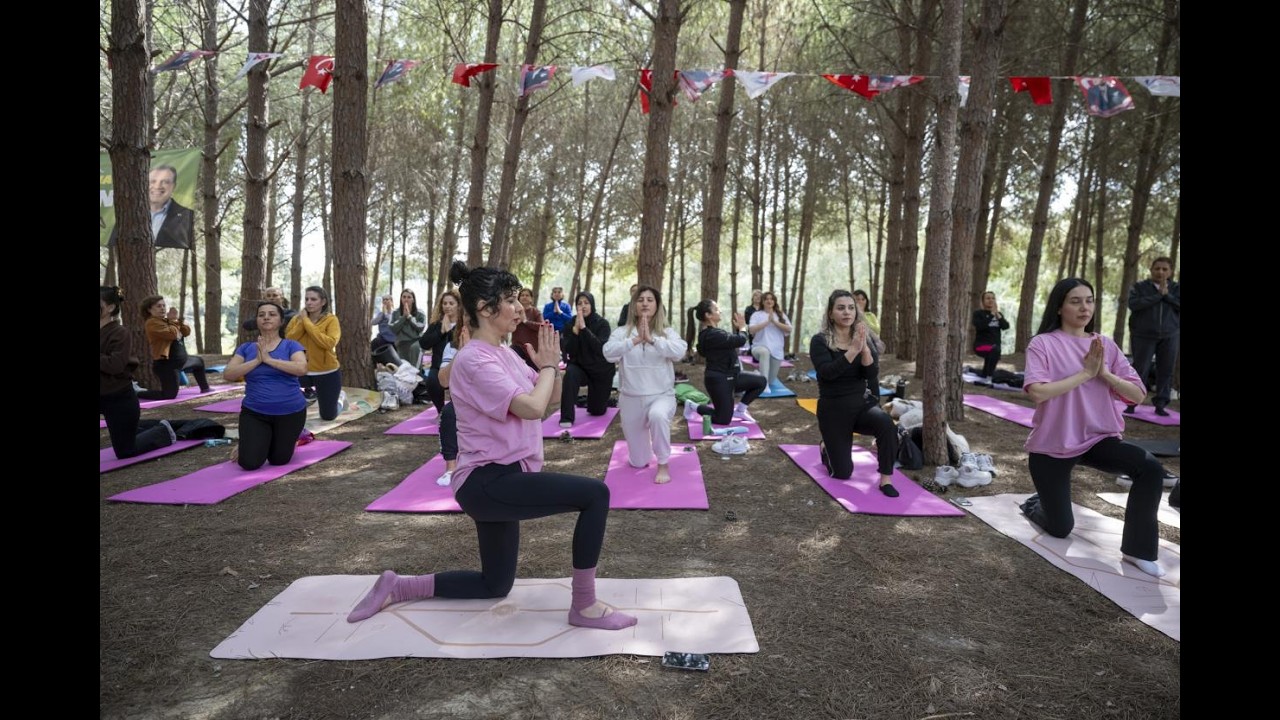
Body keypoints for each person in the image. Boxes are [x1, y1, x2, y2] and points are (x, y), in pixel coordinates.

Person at [347, 261, 636, 632]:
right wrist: (546, 371)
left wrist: (554, 366)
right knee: (595, 495)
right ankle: (584, 605)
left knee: (494, 585)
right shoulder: (473, 360)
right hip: (487, 481)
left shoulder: (507, 354)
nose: (519, 308)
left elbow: (551, 396)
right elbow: (531, 407)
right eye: (511, 300)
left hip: (506, 477)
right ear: (485, 309)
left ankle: (399, 586)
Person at [1020, 278, 1166, 578]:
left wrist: (1105, 374)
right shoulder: (1043, 343)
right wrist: (1086, 373)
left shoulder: (1105, 345)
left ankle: (1137, 550)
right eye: (1075, 301)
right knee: (1060, 528)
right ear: (1059, 307)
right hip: (1053, 444)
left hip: (1098, 438)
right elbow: (1038, 392)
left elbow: (1137, 394)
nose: (1084, 307)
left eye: (1089, 300)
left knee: (1150, 468)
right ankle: (1036, 502)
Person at [810, 290, 899, 497]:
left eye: (851, 308)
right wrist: (852, 351)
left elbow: (871, 373)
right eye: (840, 308)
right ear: (831, 313)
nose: (847, 312)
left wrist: (865, 350)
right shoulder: (819, 340)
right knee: (842, 473)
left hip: (860, 406)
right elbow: (827, 373)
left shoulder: (861, 338)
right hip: (833, 410)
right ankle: (826, 448)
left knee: (886, 424)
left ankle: (885, 479)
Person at [603, 285, 687, 484]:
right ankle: (645, 448)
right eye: (640, 300)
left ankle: (663, 464)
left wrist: (652, 340)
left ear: (657, 306)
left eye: (650, 299)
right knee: (638, 462)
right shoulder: (622, 332)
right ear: (634, 305)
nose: (645, 303)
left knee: (657, 416)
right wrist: (634, 341)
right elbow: (608, 353)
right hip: (631, 399)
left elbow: (679, 352)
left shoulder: (667, 332)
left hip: (662, 396)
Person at [224, 301, 309, 470]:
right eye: (261, 315)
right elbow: (229, 374)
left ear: (281, 321)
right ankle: (250, 442)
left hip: (291, 412)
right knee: (249, 463)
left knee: (279, 460)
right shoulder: (246, 348)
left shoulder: (291, 345)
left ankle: (293, 437)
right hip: (255, 412)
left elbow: (302, 368)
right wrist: (257, 360)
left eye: (272, 314)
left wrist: (269, 360)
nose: (266, 317)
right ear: (256, 321)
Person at [100, 286, 177, 457]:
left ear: (110, 308)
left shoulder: (120, 333)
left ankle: (163, 430)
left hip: (118, 399)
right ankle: (138, 426)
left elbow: (115, 365)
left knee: (126, 450)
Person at [685, 299, 766, 430]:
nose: (720, 311)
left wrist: (739, 330)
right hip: (719, 381)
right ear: (708, 315)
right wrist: (742, 327)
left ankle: (740, 410)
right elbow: (740, 340)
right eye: (716, 309)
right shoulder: (711, 335)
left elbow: (731, 341)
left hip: (732, 376)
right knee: (723, 420)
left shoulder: (715, 333)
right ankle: (693, 406)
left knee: (761, 382)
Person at [1126, 257, 1180, 416]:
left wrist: (1167, 295)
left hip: (1170, 335)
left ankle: (1161, 405)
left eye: (1164, 269)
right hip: (1143, 335)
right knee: (1140, 369)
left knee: (1166, 369)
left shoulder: (1176, 288)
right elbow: (1134, 304)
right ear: (1151, 270)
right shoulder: (1140, 287)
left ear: (1171, 272)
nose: (1160, 272)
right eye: (1157, 268)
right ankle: (1132, 402)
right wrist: (1158, 295)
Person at [285, 285, 344, 421]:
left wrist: (307, 322)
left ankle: (339, 399)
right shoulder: (296, 319)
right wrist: (302, 321)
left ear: (323, 302)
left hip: (326, 371)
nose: (309, 302)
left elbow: (329, 343)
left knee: (328, 416)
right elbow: (289, 340)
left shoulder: (331, 320)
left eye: (313, 299)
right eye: (306, 299)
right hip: (301, 370)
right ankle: (307, 396)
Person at [136, 294, 211, 399]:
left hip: (181, 362)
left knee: (198, 362)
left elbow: (186, 332)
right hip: (167, 365)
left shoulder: (167, 321)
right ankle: (137, 392)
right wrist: (173, 321)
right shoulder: (151, 323)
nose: (162, 308)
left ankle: (205, 388)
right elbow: (172, 334)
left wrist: (177, 321)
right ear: (149, 309)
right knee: (169, 395)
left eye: (163, 306)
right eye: (158, 306)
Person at [559, 291, 615, 428]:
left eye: (586, 303)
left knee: (597, 411)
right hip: (579, 367)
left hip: (600, 370)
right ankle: (566, 417)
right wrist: (575, 332)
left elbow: (600, 349)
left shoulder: (602, 324)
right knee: (570, 373)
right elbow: (568, 351)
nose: (583, 306)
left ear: (592, 305)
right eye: (579, 303)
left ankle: (592, 400)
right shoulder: (571, 324)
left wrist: (584, 329)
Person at [107, 164, 194, 249]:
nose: (157, 186)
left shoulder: (186, 215)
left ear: (174, 186)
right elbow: (114, 244)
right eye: (152, 181)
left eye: (165, 182)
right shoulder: (128, 214)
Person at [419, 289, 461, 412]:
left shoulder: (464, 324)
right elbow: (424, 343)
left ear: (458, 305)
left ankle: (456, 412)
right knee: (431, 381)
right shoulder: (436, 325)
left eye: (451, 303)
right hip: (438, 366)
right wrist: (441, 331)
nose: (447, 306)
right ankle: (441, 411)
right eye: (445, 303)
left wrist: (449, 331)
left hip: (458, 366)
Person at [748, 291, 792, 390]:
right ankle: (764, 385)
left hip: (776, 351)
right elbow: (751, 330)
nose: (769, 301)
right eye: (766, 299)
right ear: (762, 302)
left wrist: (774, 322)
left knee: (771, 380)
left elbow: (789, 329)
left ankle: (757, 374)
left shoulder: (781, 315)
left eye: (771, 299)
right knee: (765, 352)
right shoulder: (757, 315)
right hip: (759, 348)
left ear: (774, 302)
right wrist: (767, 322)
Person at [971, 291, 1010, 381]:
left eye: (993, 298)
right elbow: (980, 326)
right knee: (995, 349)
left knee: (994, 350)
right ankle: (989, 377)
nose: (991, 300)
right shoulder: (978, 314)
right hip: (980, 347)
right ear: (983, 301)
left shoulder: (998, 315)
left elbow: (1006, 327)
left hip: (993, 347)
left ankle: (983, 374)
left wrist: (999, 317)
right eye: (988, 298)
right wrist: (991, 315)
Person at [391, 289, 427, 370]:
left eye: (409, 297)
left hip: (416, 343)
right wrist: (403, 317)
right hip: (401, 344)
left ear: (413, 299)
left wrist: (410, 317)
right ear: (401, 299)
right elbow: (393, 328)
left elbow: (420, 328)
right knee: (403, 369)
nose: (406, 299)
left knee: (415, 368)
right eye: (404, 297)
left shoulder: (420, 313)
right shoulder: (395, 313)